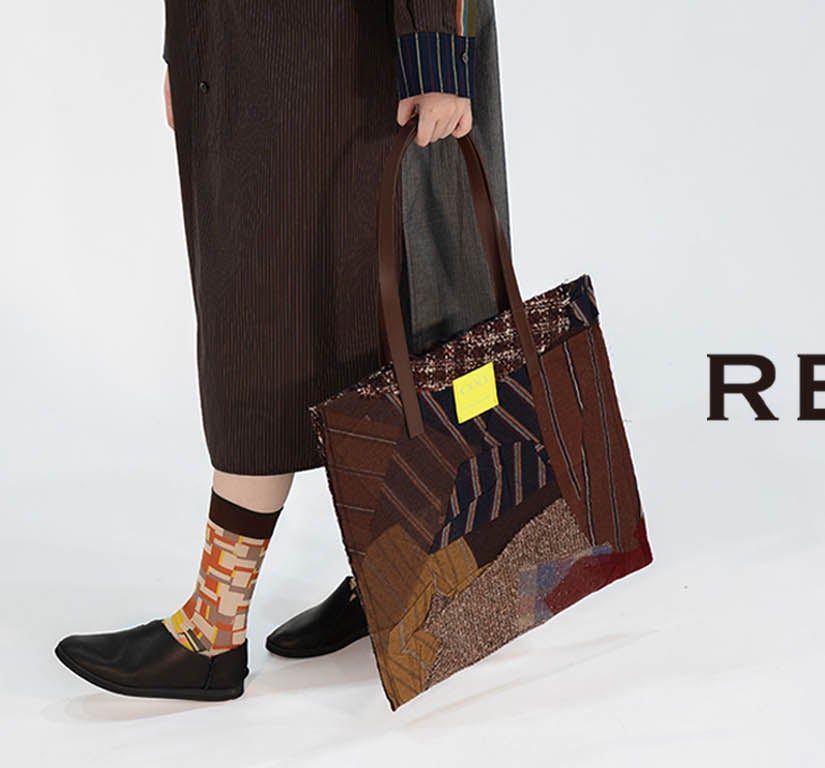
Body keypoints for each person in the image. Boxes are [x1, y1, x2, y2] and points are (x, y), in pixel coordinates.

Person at [53, 0, 512, 701]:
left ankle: (218, 624)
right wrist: (191, 42)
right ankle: (390, 574)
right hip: (253, 44)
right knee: (278, 316)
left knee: (334, 316)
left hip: (362, 42)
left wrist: (434, 48)